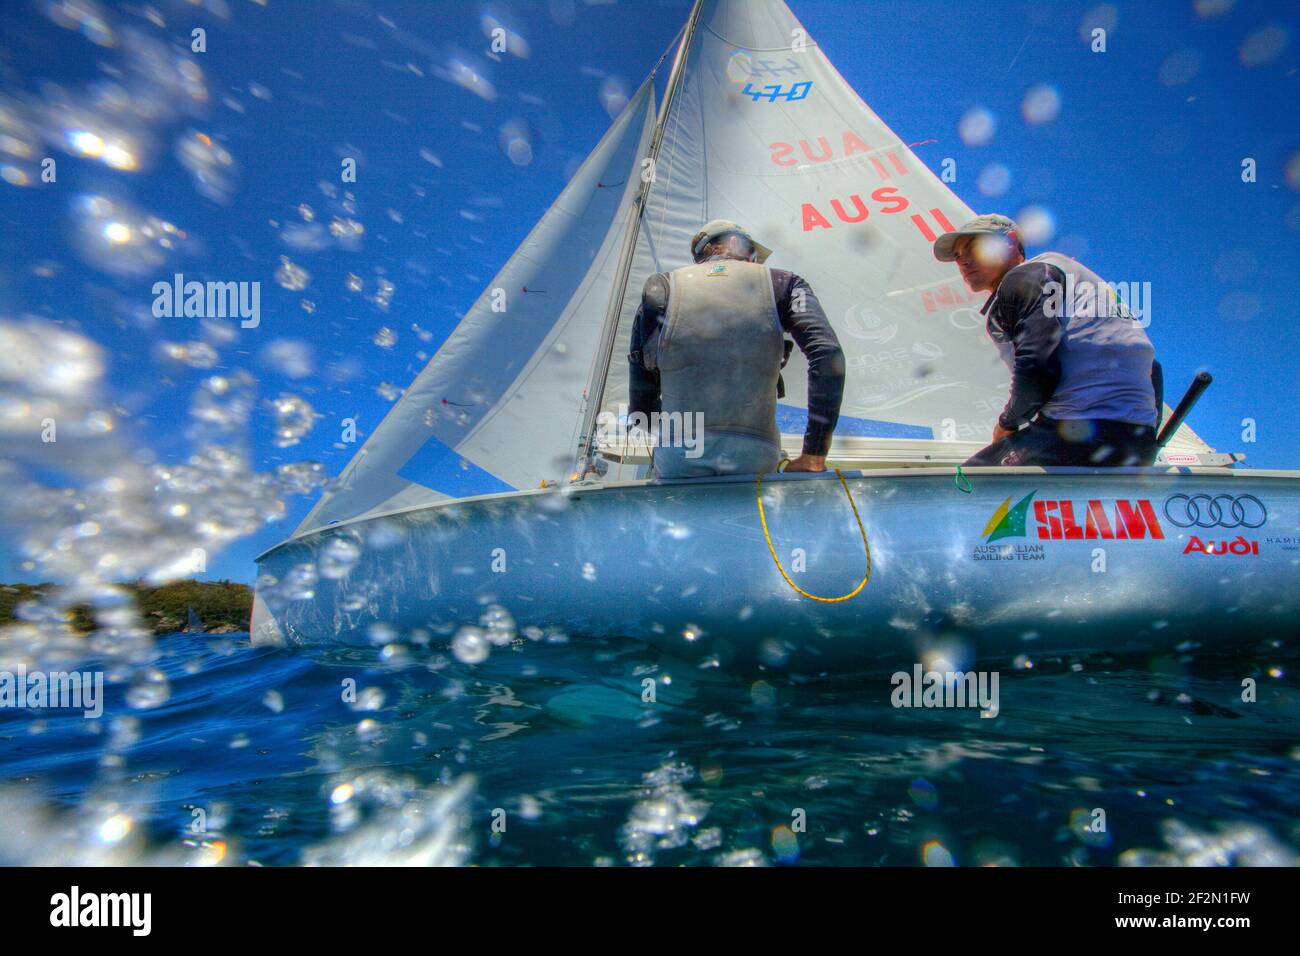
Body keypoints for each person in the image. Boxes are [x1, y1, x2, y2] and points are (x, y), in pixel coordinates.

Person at [933, 214, 1162, 467]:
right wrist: (1147, 443)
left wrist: (1007, 423)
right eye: (957, 256)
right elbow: (1153, 368)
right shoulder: (1076, 282)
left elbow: (1039, 365)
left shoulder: (1024, 278)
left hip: (1079, 435)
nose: (963, 260)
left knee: (967, 483)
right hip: (1137, 440)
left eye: (974, 247)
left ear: (1009, 242)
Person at [628, 219, 845, 478]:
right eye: (753, 254)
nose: (755, 263)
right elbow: (827, 354)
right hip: (756, 454)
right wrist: (814, 453)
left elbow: (642, 402)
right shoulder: (783, 283)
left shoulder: (660, 290)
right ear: (733, 242)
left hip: (679, 457)